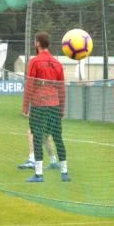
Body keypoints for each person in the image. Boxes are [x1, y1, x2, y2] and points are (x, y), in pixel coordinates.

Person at [22, 31, 69, 182]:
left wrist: (25, 106)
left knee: (37, 137)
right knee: (58, 138)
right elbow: (62, 88)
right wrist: (61, 108)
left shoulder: (34, 62)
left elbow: (29, 84)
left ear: (37, 43)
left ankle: (39, 174)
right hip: (54, 104)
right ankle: (64, 172)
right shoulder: (57, 63)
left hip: (39, 104)